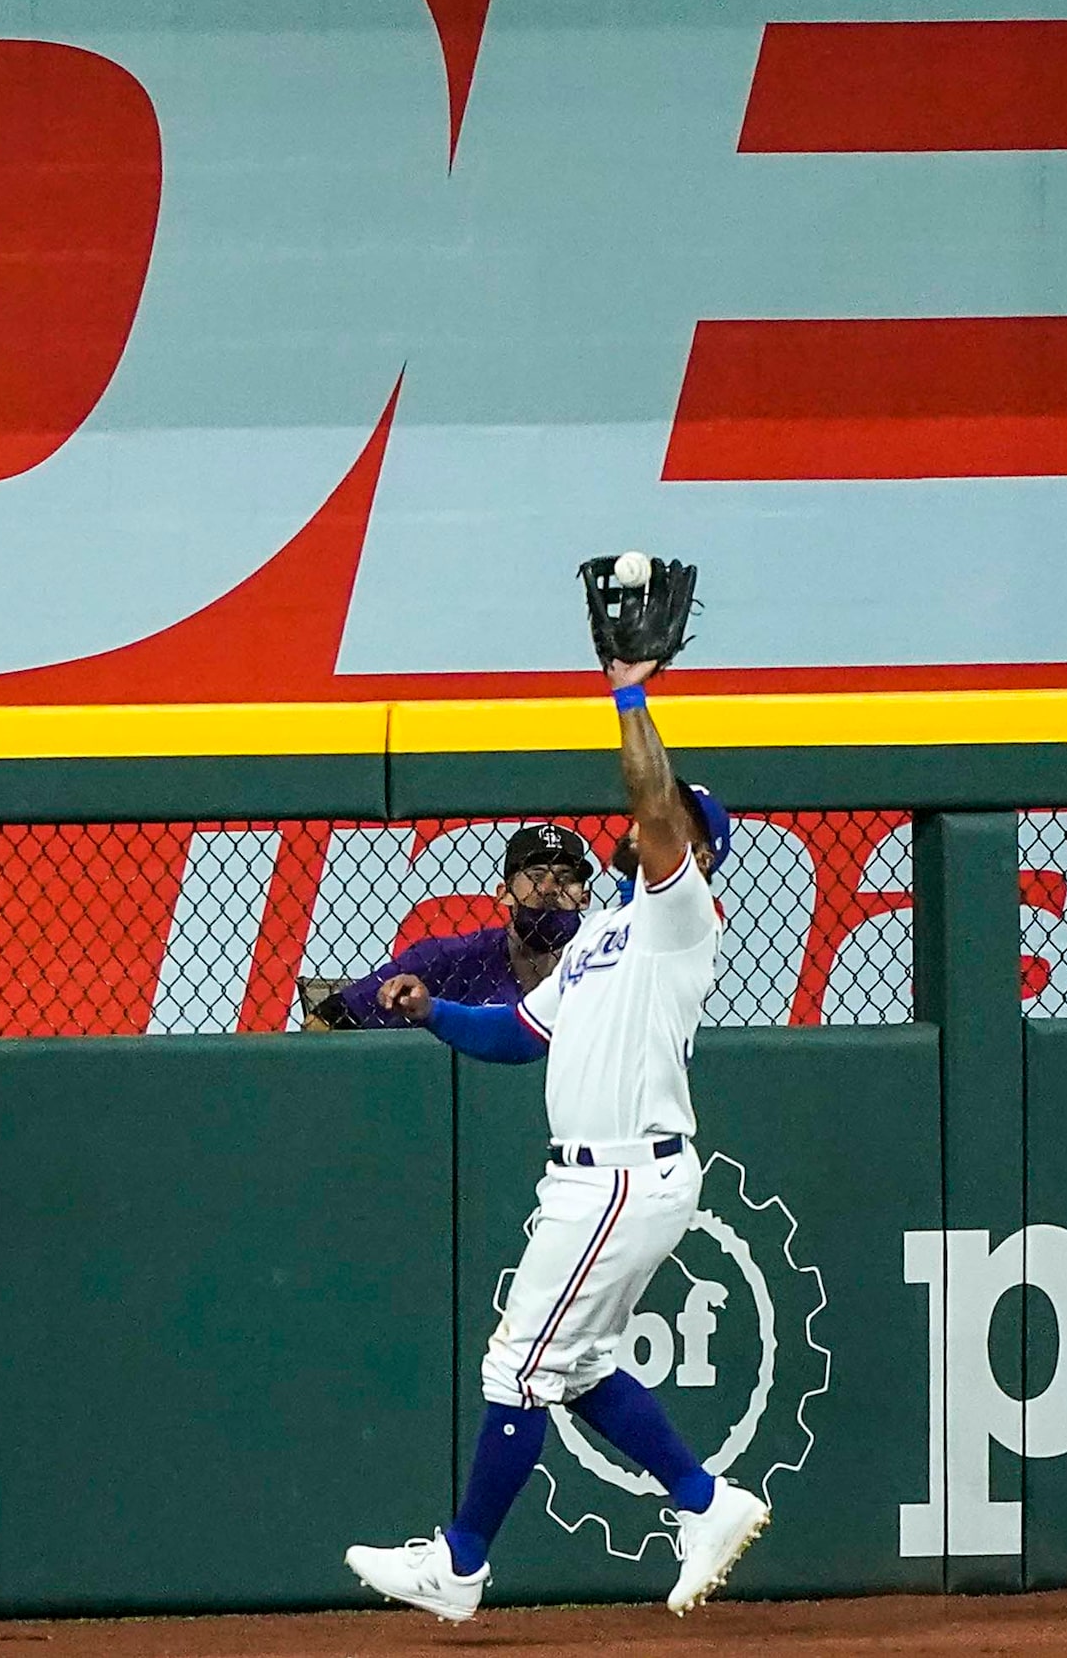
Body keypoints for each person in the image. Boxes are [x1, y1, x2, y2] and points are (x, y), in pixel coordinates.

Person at [342, 653, 768, 1621]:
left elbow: (649, 797)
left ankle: (458, 1567)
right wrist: (433, 1015)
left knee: (517, 1369)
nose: (663, 828)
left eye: (683, 828)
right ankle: (706, 1505)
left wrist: (627, 691)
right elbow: (518, 1037)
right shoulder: (597, 936)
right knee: (571, 1369)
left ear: (700, 855)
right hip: (595, 1182)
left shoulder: (678, 913)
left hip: (622, 1177)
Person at [304, 823, 594, 1030]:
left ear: (584, 898)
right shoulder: (448, 958)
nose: (549, 888)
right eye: (536, 874)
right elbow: (323, 1021)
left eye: (565, 876)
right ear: (503, 892)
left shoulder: (606, 959)